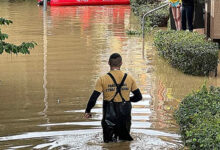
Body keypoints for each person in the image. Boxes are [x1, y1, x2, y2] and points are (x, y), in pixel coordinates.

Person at [85, 53, 142, 143]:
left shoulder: (102, 79)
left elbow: (94, 98)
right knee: (125, 142)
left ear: (108, 63)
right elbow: (139, 97)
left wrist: (88, 111)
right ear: (121, 63)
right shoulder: (130, 78)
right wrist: (127, 99)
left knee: (109, 143)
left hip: (109, 116)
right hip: (125, 115)